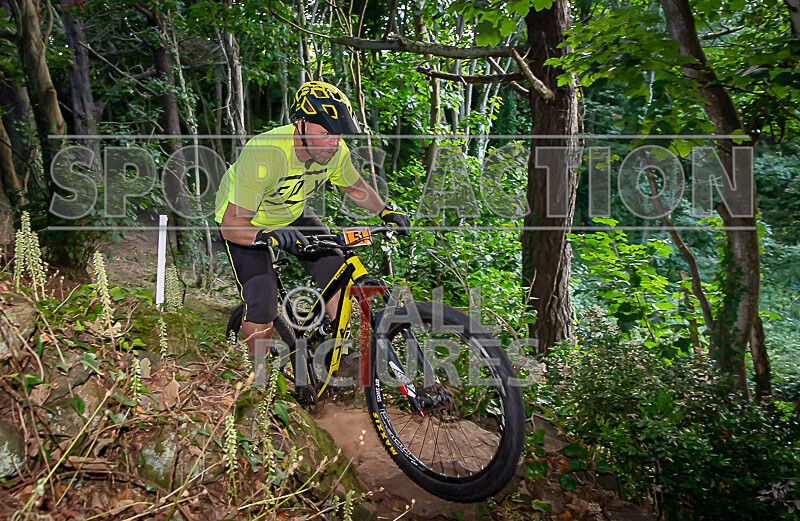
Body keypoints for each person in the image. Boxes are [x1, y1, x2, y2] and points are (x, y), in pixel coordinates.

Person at [214, 81, 411, 359]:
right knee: (261, 299)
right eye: (325, 133)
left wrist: (385, 212)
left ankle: (337, 353)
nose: (333, 143)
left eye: (337, 135)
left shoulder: (334, 151)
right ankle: (260, 379)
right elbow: (231, 225)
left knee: (338, 269)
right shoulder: (265, 153)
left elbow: (354, 187)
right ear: (301, 124)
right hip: (247, 221)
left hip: (292, 213)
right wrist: (266, 235)